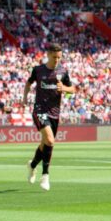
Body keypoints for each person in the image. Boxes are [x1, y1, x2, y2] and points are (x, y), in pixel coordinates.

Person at [24, 44, 76, 191]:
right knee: (50, 140)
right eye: (54, 57)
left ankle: (32, 165)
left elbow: (72, 89)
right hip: (40, 109)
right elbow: (28, 83)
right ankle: (45, 175)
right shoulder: (38, 70)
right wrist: (24, 98)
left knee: (45, 143)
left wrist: (64, 89)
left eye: (59, 57)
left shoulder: (63, 71)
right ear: (48, 55)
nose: (57, 60)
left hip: (55, 112)